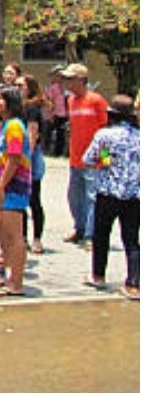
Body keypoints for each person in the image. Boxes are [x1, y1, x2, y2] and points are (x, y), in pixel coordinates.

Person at [81, 95, 139, 300]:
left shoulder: (105, 135)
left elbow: (89, 159)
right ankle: (134, 283)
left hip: (108, 192)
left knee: (101, 235)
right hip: (135, 195)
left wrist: (106, 160)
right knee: (131, 239)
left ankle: (98, 275)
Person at [0, 86, 34, 297]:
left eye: (0, 99)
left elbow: (14, 158)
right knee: (2, 233)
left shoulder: (14, 126)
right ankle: (9, 277)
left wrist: (2, 186)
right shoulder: (3, 126)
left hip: (13, 185)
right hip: (3, 183)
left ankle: (16, 283)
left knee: (14, 236)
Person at [62, 63, 108, 245]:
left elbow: (106, 130)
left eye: (70, 79)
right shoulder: (71, 100)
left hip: (94, 160)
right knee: (74, 196)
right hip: (75, 157)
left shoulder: (97, 100)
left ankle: (90, 235)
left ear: (81, 80)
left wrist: (105, 158)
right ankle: (79, 228)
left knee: (92, 198)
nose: (67, 82)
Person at [18, 75, 48, 254]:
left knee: (34, 199)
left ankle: (37, 238)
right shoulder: (16, 107)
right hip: (18, 155)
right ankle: (22, 237)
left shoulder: (31, 108)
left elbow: (32, 134)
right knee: (20, 201)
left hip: (30, 156)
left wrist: (26, 159)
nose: (18, 87)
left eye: (21, 85)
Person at [44, 66, 70, 157]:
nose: (60, 78)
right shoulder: (52, 88)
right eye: (58, 75)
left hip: (66, 114)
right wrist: (50, 114)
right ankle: (50, 151)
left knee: (62, 134)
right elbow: (50, 101)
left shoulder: (68, 87)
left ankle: (62, 152)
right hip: (56, 113)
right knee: (49, 132)